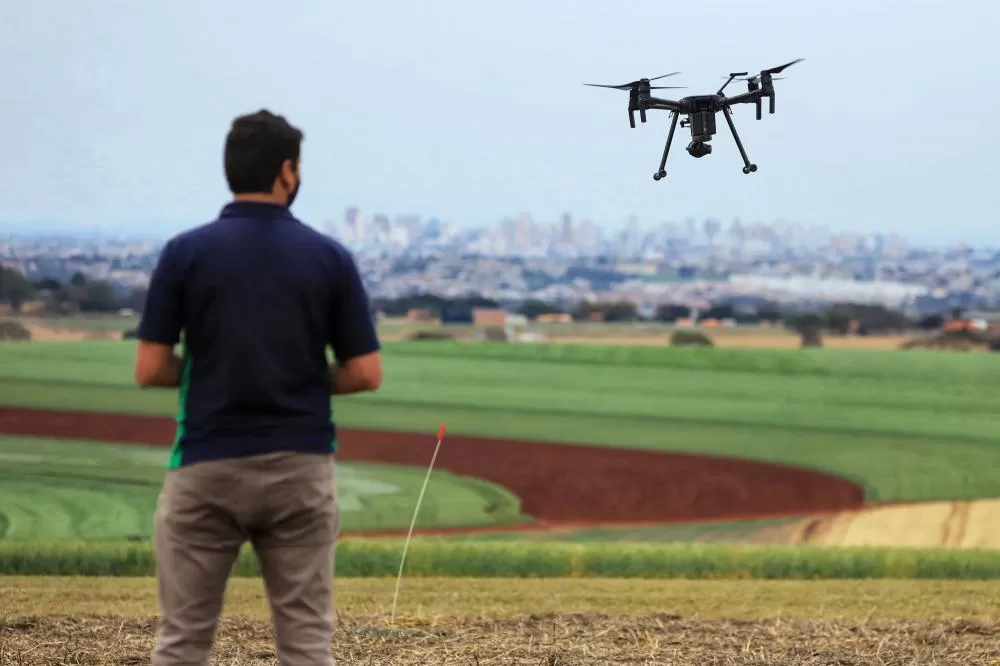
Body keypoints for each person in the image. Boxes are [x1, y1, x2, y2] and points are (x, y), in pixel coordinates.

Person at [134, 109, 383, 666]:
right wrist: (300, 374)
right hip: (301, 467)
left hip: (205, 463)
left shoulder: (184, 253)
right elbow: (366, 372)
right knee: (307, 643)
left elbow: (149, 368)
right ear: (287, 172)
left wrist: (211, 368)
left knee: (182, 641)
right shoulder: (328, 257)